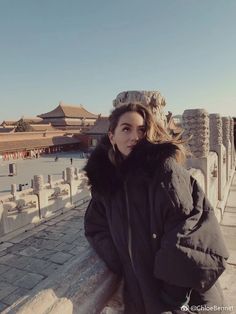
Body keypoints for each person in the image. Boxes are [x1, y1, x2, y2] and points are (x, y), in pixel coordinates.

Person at [84, 103, 229, 314]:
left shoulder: (164, 172)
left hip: (186, 296)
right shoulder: (107, 183)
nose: (134, 136)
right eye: (126, 129)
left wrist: (172, 298)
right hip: (142, 294)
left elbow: (187, 234)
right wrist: (120, 258)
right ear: (111, 136)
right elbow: (94, 226)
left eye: (141, 130)